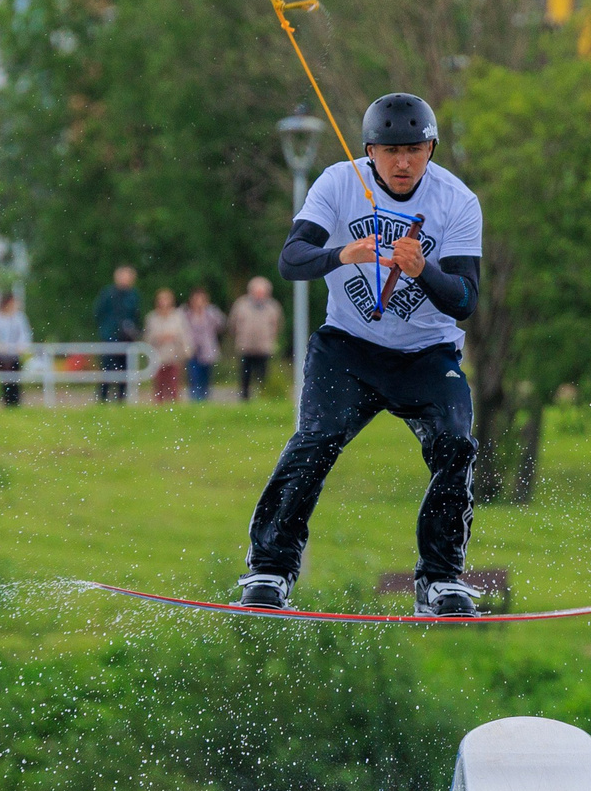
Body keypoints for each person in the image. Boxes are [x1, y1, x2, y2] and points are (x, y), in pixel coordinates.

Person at [237, 93, 485, 616]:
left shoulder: (457, 201)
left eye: (414, 150)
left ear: (431, 149)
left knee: (456, 445)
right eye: (391, 150)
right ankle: (269, 570)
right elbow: (291, 260)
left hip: (426, 354)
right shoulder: (337, 182)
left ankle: (439, 581)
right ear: (369, 150)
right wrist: (342, 253)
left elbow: (465, 300)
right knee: (315, 441)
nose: (402, 162)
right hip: (347, 350)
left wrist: (425, 272)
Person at [93, 265, 143, 402]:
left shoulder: (133, 295)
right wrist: (106, 330)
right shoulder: (108, 293)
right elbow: (98, 313)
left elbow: (136, 316)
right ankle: (102, 398)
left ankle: (121, 398)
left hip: (126, 338)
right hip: (110, 337)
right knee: (107, 369)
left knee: (124, 370)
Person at [231, 277, 282, 401]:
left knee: (263, 374)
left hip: (264, 347)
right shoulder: (241, 305)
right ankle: (244, 397)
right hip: (246, 346)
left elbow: (278, 325)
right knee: (245, 374)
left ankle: (263, 396)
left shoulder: (273, 307)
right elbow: (233, 324)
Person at [0, 290, 32, 408]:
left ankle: (15, 401)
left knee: (15, 378)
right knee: (5, 379)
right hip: (1, 356)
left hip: (15, 355)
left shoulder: (19, 318)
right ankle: (6, 401)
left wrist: (21, 346)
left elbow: (25, 335)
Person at [144, 288, 191, 404]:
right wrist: (159, 338)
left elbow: (184, 335)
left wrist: (185, 351)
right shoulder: (152, 318)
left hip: (174, 355)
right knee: (159, 385)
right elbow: (148, 337)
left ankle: (174, 407)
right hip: (158, 356)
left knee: (174, 385)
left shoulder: (178, 317)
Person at [185, 288, 224, 402]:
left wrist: (207, 311)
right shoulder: (186, 314)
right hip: (192, 349)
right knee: (193, 376)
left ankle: (205, 398)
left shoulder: (211, 313)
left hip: (207, 350)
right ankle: (194, 398)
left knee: (206, 376)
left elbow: (221, 325)